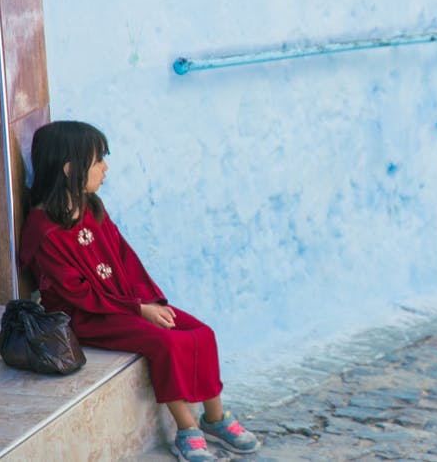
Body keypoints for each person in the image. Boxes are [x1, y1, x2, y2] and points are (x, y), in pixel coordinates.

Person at [18, 121, 259, 461]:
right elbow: (77, 293)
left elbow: (125, 259)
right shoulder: (43, 231)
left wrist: (147, 300)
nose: (105, 167)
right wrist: (138, 311)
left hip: (125, 302)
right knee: (167, 342)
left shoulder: (92, 207)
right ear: (70, 168)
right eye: (98, 160)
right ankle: (187, 428)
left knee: (202, 332)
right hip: (87, 317)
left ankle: (216, 418)